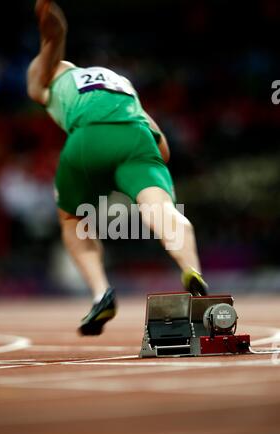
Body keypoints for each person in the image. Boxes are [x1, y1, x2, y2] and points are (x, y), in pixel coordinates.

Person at [27, 0, 208, 336]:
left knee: (73, 219)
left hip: (89, 137)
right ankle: (191, 268)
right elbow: (162, 146)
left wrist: (53, 33)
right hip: (136, 136)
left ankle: (100, 292)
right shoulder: (121, 83)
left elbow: (49, 50)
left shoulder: (56, 75)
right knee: (162, 209)